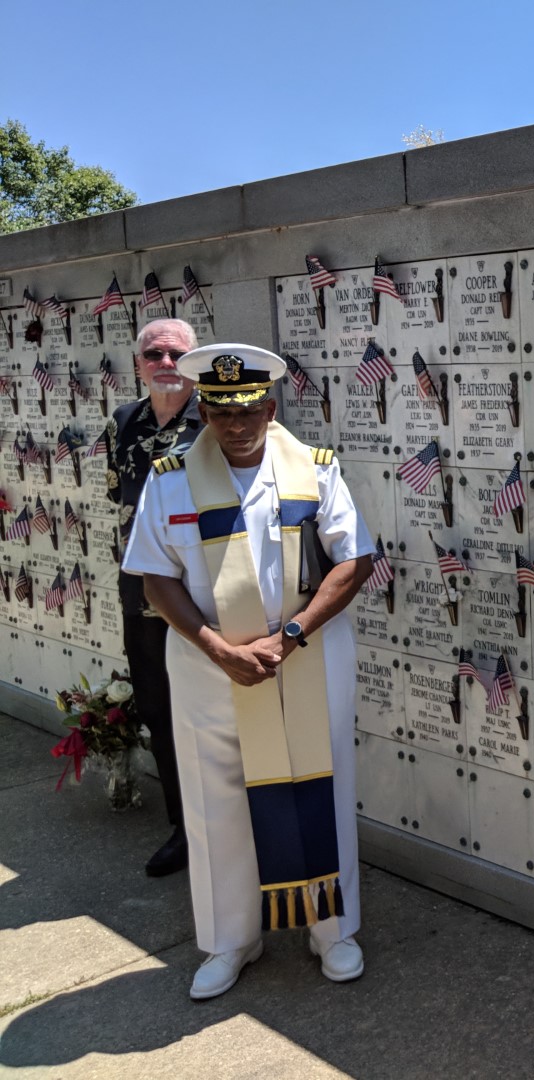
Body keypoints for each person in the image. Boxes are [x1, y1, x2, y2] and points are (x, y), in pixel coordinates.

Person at [122, 343, 374, 1000]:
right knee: (216, 801)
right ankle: (231, 939)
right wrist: (219, 649)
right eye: (223, 412)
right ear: (204, 412)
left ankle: (332, 930)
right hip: (210, 665)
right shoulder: (170, 480)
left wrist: (290, 635)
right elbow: (155, 578)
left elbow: (354, 560)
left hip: (306, 655)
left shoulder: (315, 471)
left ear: (270, 407)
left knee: (321, 782)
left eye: (249, 410)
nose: (237, 425)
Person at [106, 318, 205, 876]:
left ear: (193, 361)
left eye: (176, 354)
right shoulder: (124, 420)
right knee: (159, 712)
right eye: (154, 354)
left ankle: (228, 826)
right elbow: (120, 496)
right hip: (140, 592)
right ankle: (184, 829)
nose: (165, 363)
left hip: (198, 593)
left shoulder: (216, 418)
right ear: (138, 363)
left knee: (211, 712)